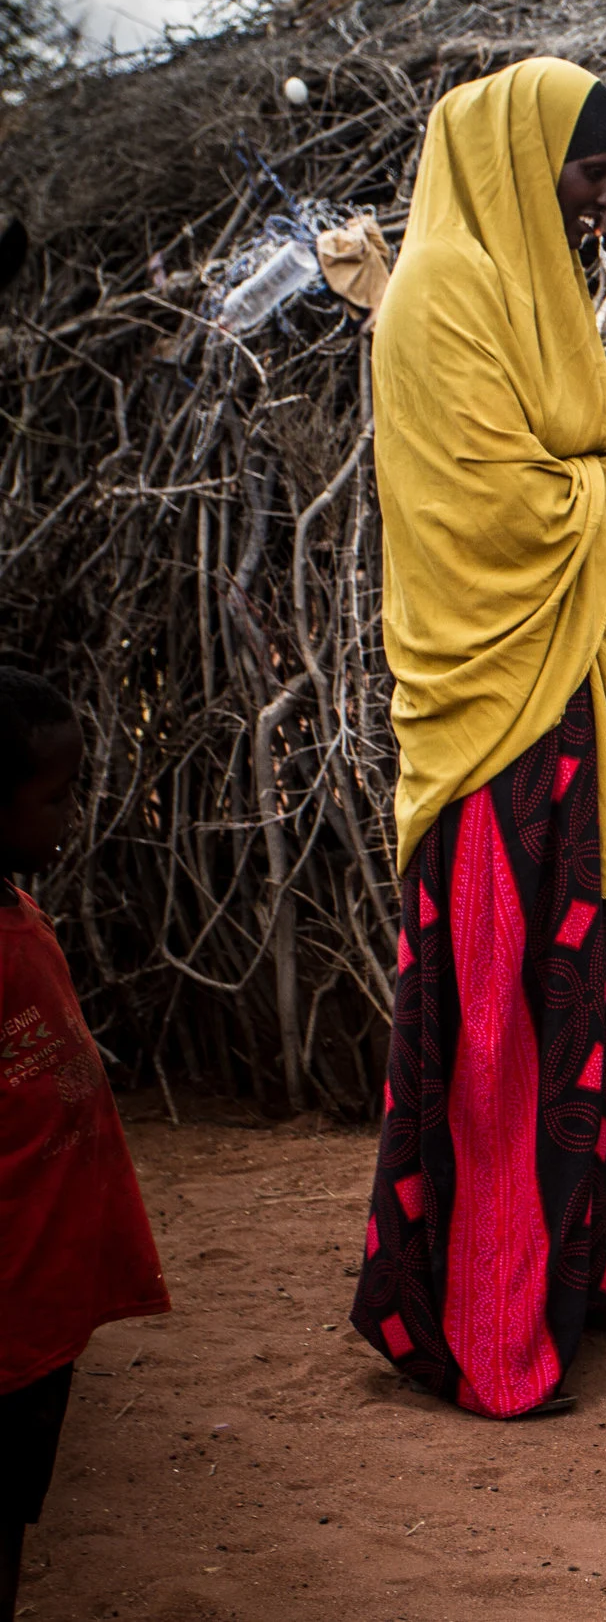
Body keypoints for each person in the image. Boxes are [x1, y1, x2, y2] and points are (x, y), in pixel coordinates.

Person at [350, 59, 606, 1422]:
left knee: (598, 989)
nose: (602, 201)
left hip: (575, 695)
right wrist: (595, 488)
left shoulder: (552, 284)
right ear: (513, 164)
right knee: (508, 1007)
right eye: (586, 177)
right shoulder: (439, 297)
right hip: (495, 705)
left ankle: (589, 1277)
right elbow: (507, 513)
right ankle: (492, 1321)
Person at [0, 671, 170, 1616]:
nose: (70, 818)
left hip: (41, 1303)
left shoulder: (23, 921)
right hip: (10, 1306)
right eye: (55, 798)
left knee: (17, 1509)